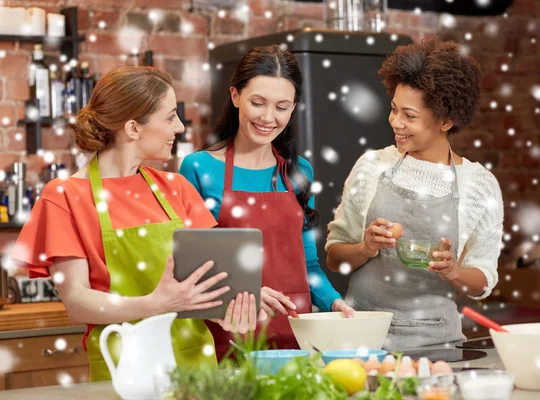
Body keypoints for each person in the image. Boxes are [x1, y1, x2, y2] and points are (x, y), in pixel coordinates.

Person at [10, 67, 256, 381]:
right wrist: (154, 304)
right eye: (170, 117)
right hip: (124, 373)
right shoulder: (64, 197)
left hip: (196, 371)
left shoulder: (176, 188)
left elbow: (211, 283)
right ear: (133, 128)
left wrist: (237, 304)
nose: (179, 127)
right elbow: (78, 301)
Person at [325, 37, 504, 350]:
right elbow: (334, 256)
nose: (396, 122)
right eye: (394, 110)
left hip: (438, 343)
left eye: (410, 116)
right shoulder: (371, 167)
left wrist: (454, 271)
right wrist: (365, 247)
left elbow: (483, 280)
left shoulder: (479, 184)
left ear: (446, 120)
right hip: (364, 338)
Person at [179, 45, 354, 360]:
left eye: (281, 107)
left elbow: (309, 264)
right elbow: (193, 271)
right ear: (235, 96)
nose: (268, 118)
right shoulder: (198, 169)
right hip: (228, 337)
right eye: (257, 103)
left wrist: (333, 302)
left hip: (295, 339)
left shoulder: (299, 172)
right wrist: (241, 292)